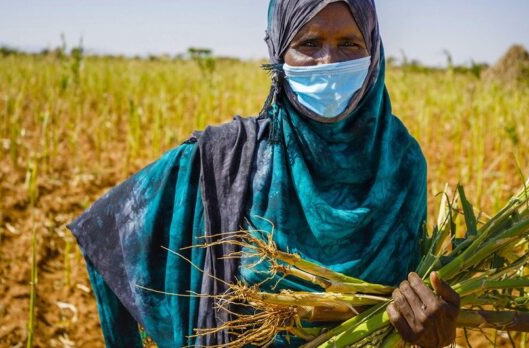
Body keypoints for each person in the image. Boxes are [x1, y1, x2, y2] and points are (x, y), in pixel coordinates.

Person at [68, 0, 460, 347]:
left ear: (373, 51)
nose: (329, 62)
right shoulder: (227, 160)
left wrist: (431, 331)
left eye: (349, 44)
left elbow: (407, 299)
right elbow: (108, 231)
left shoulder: (402, 163)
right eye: (309, 43)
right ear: (278, 54)